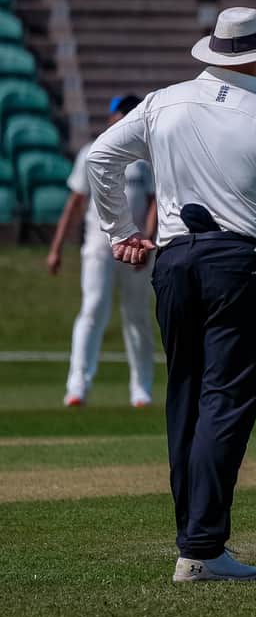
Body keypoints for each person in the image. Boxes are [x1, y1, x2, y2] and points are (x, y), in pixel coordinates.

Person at [85, 7, 256, 583]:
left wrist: (119, 231)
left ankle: (194, 543)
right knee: (224, 405)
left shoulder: (162, 103)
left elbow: (100, 157)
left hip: (174, 262)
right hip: (243, 266)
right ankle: (201, 547)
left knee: (186, 402)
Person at [49, 94, 157, 408]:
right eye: (121, 113)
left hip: (136, 248)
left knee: (136, 316)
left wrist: (148, 241)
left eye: (131, 113)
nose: (125, 118)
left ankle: (142, 389)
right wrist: (56, 248)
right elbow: (75, 204)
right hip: (99, 246)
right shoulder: (91, 153)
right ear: (111, 118)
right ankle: (77, 386)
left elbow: (154, 203)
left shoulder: (146, 158)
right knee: (93, 309)